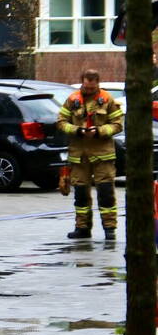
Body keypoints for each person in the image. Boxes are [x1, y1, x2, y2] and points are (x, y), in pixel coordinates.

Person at [57, 68, 123, 240]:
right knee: (80, 193)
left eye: (92, 88)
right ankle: (82, 228)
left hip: (103, 155)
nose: (89, 90)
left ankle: (109, 229)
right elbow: (61, 122)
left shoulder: (107, 99)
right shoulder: (72, 99)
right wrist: (77, 130)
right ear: (82, 82)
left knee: (106, 192)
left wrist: (99, 131)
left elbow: (117, 125)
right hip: (79, 155)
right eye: (86, 87)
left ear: (98, 84)